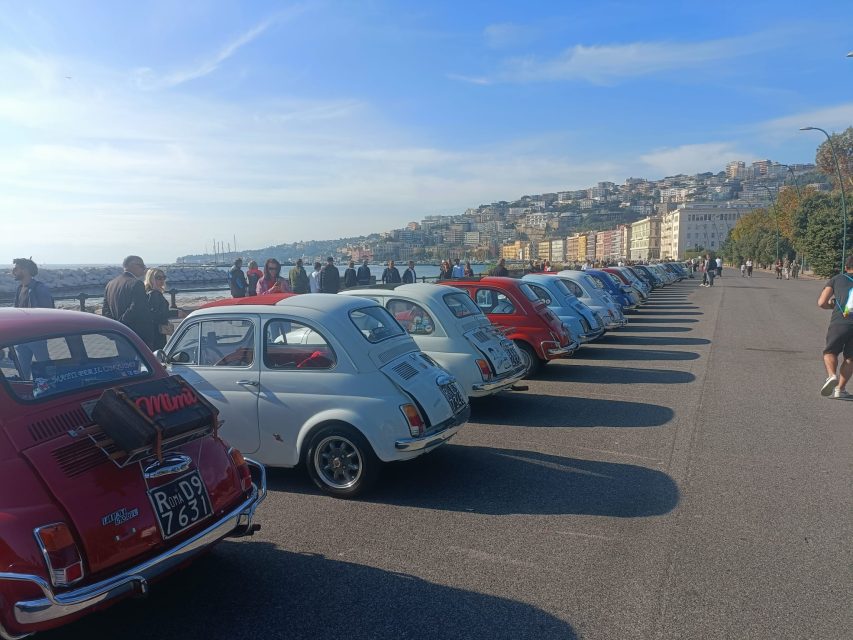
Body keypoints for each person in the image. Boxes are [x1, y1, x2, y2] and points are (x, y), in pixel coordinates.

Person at [817, 254, 853, 399]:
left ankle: (832, 376)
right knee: (850, 358)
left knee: (830, 352)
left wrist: (832, 305)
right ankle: (840, 390)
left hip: (840, 323)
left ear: (846, 267)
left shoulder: (837, 279)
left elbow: (821, 302)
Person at [103, 255, 155, 347]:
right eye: (142, 266)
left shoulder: (110, 284)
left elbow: (106, 310)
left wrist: (115, 327)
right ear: (132, 265)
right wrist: (122, 324)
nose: (144, 269)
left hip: (119, 335)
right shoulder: (136, 283)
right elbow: (136, 308)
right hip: (137, 334)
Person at [145, 268, 171, 350]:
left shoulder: (151, 293)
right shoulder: (154, 294)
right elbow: (156, 315)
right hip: (157, 333)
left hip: (154, 332)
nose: (162, 280)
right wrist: (176, 313)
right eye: (158, 277)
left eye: (164, 277)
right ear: (151, 279)